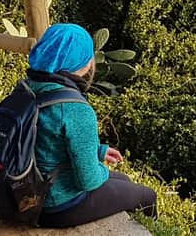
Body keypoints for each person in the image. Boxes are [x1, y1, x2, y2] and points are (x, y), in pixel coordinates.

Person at [25, 24, 157, 228]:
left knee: (122, 179)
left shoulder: (28, 88)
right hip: (55, 206)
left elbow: (48, 141)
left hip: (25, 190)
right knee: (147, 195)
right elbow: (88, 181)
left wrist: (98, 151)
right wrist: (100, 170)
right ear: (83, 62)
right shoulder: (75, 108)